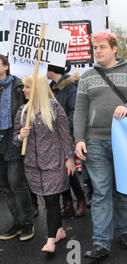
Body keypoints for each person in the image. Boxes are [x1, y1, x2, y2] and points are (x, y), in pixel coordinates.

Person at [73, 31, 127, 259]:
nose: (97, 51)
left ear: (114, 48)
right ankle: (101, 243)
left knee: (123, 190)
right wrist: (79, 139)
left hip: (124, 141)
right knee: (101, 193)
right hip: (95, 141)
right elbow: (80, 111)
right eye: (95, 47)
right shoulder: (86, 76)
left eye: (102, 47)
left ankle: (125, 231)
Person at [14, 74, 75, 253]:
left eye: (27, 86)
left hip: (54, 162)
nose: (23, 90)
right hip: (33, 166)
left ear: (37, 88)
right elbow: (15, 140)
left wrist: (69, 157)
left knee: (51, 199)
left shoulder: (54, 108)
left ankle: (50, 240)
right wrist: (20, 136)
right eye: (24, 87)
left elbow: (65, 134)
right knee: (47, 199)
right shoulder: (22, 112)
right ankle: (59, 231)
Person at [0, 54, 35, 242]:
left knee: (16, 184)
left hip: (13, 140)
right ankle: (16, 222)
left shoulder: (18, 87)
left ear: (6, 66)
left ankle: (27, 222)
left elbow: (27, 110)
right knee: (4, 187)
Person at [47, 64, 87, 218]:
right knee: (60, 171)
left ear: (52, 70)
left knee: (68, 170)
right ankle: (68, 203)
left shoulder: (70, 87)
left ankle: (81, 199)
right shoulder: (50, 88)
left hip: (66, 134)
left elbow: (75, 111)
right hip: (54, 135)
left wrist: (61, 127)